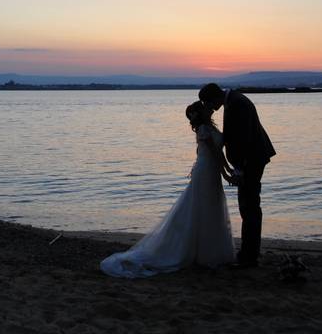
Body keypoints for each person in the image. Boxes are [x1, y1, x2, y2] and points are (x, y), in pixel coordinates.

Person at [100, 101, 234, 278]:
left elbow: (218, 153)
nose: (206, 108)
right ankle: (201, 253)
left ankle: (207, 251)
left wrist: (227, 169)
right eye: (202, 108)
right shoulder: (203, 129)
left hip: (210, 170)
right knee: (203, 208)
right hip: (207, 170)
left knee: (211, 207)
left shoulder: (210, 128)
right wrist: (226, 173)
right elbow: (215, 153)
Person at [199, 83, 276, 268]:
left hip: (251, 160)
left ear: (214, 97)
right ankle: (249, 253)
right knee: (248, 205)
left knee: (249, 206)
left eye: (208, 102)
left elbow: (243, 138)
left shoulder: (237, 104)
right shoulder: (234, 101)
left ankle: (249, 256)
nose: (209, 107)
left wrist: (240, 167)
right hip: (252, 158)